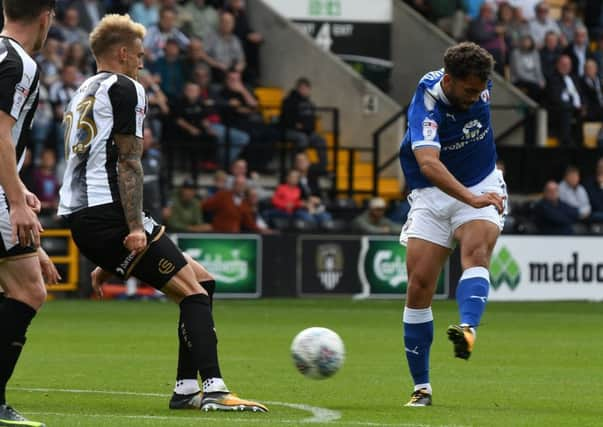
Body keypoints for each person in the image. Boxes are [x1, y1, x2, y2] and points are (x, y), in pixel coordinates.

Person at [58, 13, 267, 413]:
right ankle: (217, 390)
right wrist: (133, 228)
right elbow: (129, 162)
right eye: (138, 54)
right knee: (193, 293)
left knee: (202, 282)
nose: (142, 61)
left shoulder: (83, 89)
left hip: (86, 216)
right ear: (121, 54)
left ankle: (187, 388)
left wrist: (110, 253)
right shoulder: (127, 88)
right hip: (110, 215)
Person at [399, 42, 506, 407]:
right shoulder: (427, 103)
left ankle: (468, 328)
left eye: (480, 90)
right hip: (432, 190)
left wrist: (478, 197)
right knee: (419, 286)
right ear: (449, 80)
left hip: (481, 183)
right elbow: (429, 164)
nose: (476, 98)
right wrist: (468, 198)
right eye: (469, 91)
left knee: (476, 251)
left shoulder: (479, 87)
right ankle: (422, 388)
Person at [0, 1, 59, 426]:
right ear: (46, 17)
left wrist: (18, 189)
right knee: (28, 291)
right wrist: (16, 200)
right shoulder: (20, 63)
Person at [280, 78, 328, 173]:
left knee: (321, 140)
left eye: (306, 88)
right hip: (290, 131)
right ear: (297, 88)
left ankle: (322, 168)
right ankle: (298, 167)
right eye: (302, 88)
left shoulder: (310, 103)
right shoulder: (289, 101)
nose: (304, 90)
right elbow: (289, 120)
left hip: (308, 131)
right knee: (302, 139)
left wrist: (305, 126)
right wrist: (299, 125)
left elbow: (312, 122)